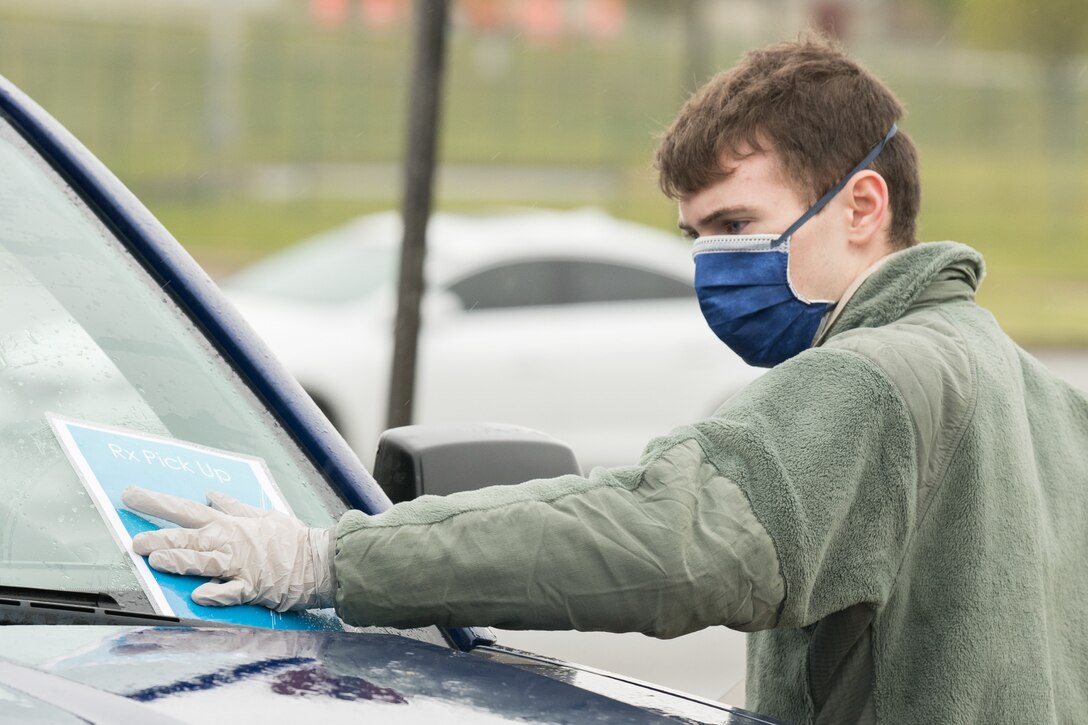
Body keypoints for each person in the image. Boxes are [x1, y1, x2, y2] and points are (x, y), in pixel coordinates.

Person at [123, 35, 1088, 724]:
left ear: (863, 205)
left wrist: (331, 560)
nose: (713, 265)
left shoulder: (872, 383)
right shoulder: (1041, 394)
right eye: (696, 237)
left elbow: (659, 535)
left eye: (735, 226)